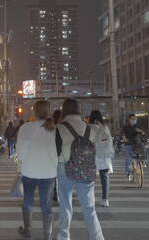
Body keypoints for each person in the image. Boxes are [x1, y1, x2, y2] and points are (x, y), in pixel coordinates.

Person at [55, 99, 104, 240]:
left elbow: (56, 151)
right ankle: (97, 237)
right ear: (79, 109)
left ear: (64, 109)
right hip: (86, 169)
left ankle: (63, 236)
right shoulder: (90, 128)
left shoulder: (59, 128)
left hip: (64, 168)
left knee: (65, 205)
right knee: (89, 207)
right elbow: (98, 149)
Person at [16, 100, 58, 240]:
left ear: (34, 111)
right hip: (48, 173)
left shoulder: (26, 128)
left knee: (27, 201)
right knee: (46, 204)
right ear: (49, 110)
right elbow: (56, 154)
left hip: (29, 171)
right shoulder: (54, 129)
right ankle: (48, 235)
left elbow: (20, 154)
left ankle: (27, 230)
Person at [89, 110, 113, 208]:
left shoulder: (89, 127)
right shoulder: (105, 127)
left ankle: (91, 198)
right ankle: (105, 199)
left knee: (90, 178)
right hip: (104, 155)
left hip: (92, 154)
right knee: (104, 177)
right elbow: (110, 141)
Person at [122, 114, 144, 180]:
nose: (134, 120)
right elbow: (123, 134)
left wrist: (141, 131)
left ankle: (141, 164)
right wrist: (124, 139)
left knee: (140, 155)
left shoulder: (138, 126)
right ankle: (128, 173)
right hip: (128, 144)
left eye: (135, 119)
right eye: (132, 119)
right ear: (129, 119)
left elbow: (143, 133)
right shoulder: (126, 127)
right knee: (128, 159)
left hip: (137, 144)